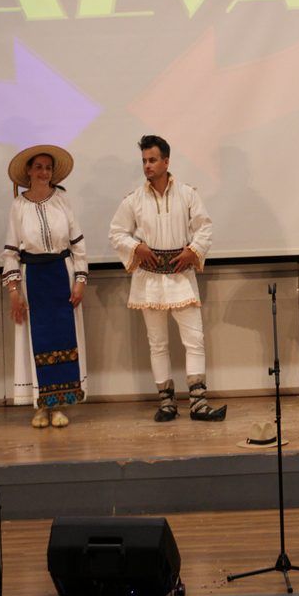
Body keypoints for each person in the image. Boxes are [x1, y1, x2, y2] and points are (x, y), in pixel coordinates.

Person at [108, 135, 225, 422]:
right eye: (144, 161)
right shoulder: (134, 199)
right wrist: (136, 247)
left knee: (194, 339)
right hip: (149, 279)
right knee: (157, 343)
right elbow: (116, 232)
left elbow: (205, 228)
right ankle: (166, 403)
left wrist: (193, 251)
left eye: (152, 160)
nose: (147, 166)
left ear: (166, 161)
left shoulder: (187, 194)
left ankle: (198, 403)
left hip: (180, 275)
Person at [2, 145, 88, 428]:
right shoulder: (18, 206)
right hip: (33, 279)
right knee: (36, 340)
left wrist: (80, 280)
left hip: (62, 275)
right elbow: (11, 252)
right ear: (28, 171)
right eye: (38, 167)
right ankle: (41, 405)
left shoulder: (62, 200)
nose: (43, 172)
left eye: (48, 168)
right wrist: (14, 291)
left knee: (64, 339)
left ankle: (60, 403)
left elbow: (78, 244)